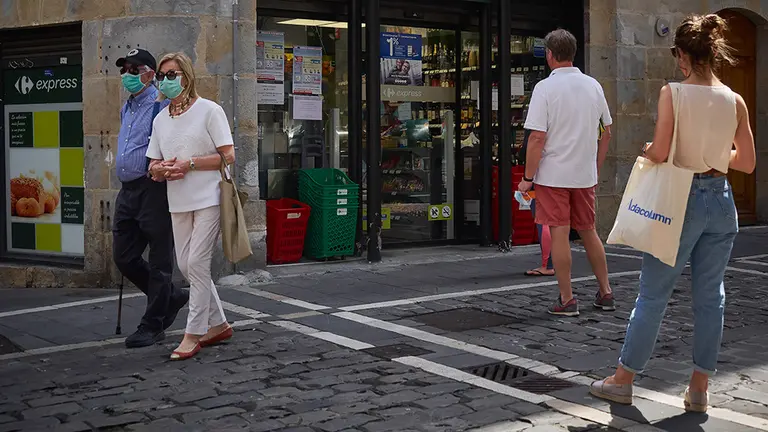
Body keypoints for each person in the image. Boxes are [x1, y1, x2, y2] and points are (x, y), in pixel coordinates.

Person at [590, 14, 755, 412]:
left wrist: (647, 150)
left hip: (680, 199)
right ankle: (699, 389)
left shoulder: (673, 93)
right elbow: (747, 162)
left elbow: (661, 152)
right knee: (710, 297)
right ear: (713, 54)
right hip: (721, 201)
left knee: (653, 295)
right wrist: (714, 153)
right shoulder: (735, 99)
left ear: (682, 55)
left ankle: (623, 379)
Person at [518, 29, 615, 316]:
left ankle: (567, 298)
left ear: (549, 54)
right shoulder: (593, 85)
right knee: (588, 231)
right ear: (573, 53)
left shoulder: (545, 89)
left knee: (559, 233)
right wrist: (594, 167)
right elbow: (606, 132)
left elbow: (537, 137)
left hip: (553, 175)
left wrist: (527, 178)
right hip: (583, 175)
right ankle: (606, 291)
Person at [146, 52, 235, 361]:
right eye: (162, 75)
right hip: (177, 199)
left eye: (173, 74)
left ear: (186, 75)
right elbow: (154, 162)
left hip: (209, 196)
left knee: (196, 263)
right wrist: (159, 170)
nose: (167, 80)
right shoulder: (159, 119)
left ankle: (193, 333)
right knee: (185, 265)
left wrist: (191, 163)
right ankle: (220, 323)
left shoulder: (210, 111)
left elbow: (228, 155)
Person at [112, 48, 189, 349]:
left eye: (133, 69)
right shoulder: (127, 107)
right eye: (124, 69)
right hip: (127, 190)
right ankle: (170, 297)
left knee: (159, 260)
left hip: (153, 188)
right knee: (124, 257)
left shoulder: (162, 106)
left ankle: (153, 324)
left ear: (148, 73)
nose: (127, 75)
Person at [519, 129, 554, 277]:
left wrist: (527, 179)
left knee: (544, 221)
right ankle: (556, 262)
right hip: (562, 177)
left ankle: (548, 264)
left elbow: (532, 146)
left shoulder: (537, 124)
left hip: (541, 178)